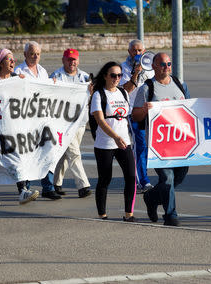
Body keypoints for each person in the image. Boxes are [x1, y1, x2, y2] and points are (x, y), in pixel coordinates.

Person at [132, 53, 190, 226]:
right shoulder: (147, 88)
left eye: (169, 63)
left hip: (180, 143)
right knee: (168, 179)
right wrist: (145, 109)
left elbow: (190, 109)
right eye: (163, 64)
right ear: (154, 66)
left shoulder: (180, 85)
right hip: (158, 145)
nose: (167, 67)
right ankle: (171, 215)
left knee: (179, 177)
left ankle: (151, 197)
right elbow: (135, 116)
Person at [0, 48, 39, 205]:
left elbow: (35, 92)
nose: (13, 62)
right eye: (9, 59)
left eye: (13, 59)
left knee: (17, 158)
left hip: (14, 129)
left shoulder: (18, 79)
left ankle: (22, 191)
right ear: (1, 63)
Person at [90, 61, 136, 222]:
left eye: (119, 75)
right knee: (105, 179)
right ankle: (102, 214)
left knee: (131, 176)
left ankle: (129, 214)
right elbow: (101, 121)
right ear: (105, 76)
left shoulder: (123, 93)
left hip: (124, 142)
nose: (117, 78)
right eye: (113, 75)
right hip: (105, 144)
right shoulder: (98, 94)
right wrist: (115, 137)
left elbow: (127, 114)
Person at [14, 41, 61, 200]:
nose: (35, 57)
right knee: (27, 154)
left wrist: (53, 85)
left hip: (42, 119)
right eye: (32, 53)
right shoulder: (18, 71)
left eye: (38, 54)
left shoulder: (42, 71)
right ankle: (25, 188)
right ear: (25, 54)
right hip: (25, 120)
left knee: (47, 152)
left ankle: (48, 187)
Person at [50, 48, 92, 198]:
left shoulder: (85, 77)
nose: (72, 62)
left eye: (74, 59)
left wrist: (91, 91)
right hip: (63, 123)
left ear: (78, 60)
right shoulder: (56, 76)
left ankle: (56, 183)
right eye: (69, 59)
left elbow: (91, 98)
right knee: (74, 153)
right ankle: (83, 186)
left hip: (80, 122)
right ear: (63, 60)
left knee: (64, 154)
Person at [120, 39, 154, 193]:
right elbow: (125, 90)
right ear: (129, 52)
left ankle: (142, 175)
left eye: (140, 50)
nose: (137, 53)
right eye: (134, 51)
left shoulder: (151, 66)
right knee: (139, 145)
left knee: (149, 146)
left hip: (150, 111)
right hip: (133, 112)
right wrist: (136, 73)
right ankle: (143, 180)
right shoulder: (123, 68)